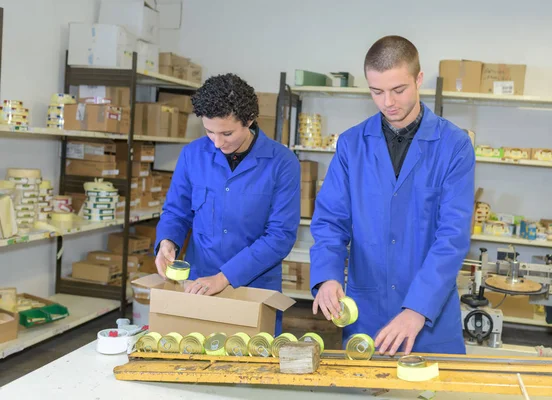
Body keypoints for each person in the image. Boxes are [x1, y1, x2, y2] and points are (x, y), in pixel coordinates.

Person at [310, 36, 475, 355]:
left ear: (419, 79)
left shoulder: (454, 146)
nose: (387, 102)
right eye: (376, 91)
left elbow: (452, 237)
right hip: (366, 313)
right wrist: (328, 277)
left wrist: (417, 309)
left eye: (398, 90)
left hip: (430, 318)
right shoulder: (351, 145)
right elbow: (331, 222)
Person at [155, 73, 301, 332]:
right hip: (197, 285)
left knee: (252, 366)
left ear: (250, 120)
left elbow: (280, 237)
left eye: (227, 133)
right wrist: (167, 241)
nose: (218, 143)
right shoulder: (192, 155)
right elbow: (176, 212)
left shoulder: (282, 163)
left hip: (256, 289)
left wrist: (224, 277)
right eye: (209, 132)